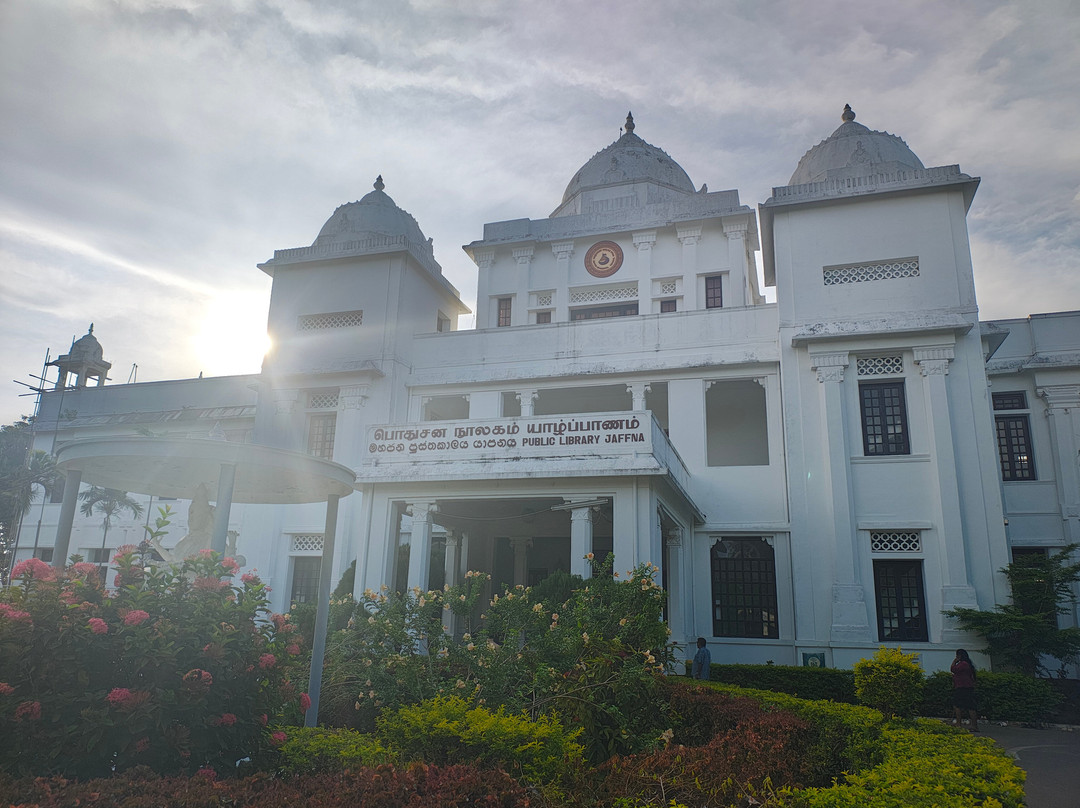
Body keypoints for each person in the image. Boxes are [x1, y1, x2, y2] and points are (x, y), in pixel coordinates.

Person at [950, 648, 978, 731]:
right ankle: (973, 725)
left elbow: (953, 669)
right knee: (969, 706)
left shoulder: (963, 664)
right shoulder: (967, 664)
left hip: (962, 687)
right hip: (966, 687)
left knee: (958, 705)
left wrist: (954, 661)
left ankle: (959, 724)